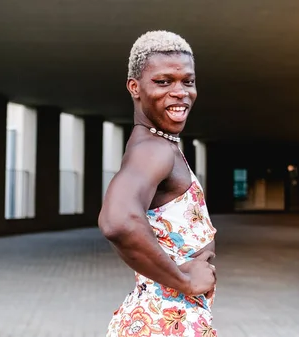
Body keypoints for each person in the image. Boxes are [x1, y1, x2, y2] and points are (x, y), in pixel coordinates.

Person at [98, 30, 218, 337]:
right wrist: (185, 282)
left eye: (187, 81)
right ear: (135, 87)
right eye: (163, 82)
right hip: (165, 322)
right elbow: (118, 221)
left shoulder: (161, 145)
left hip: (161, 319)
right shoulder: (153, 150)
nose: (180, 92)